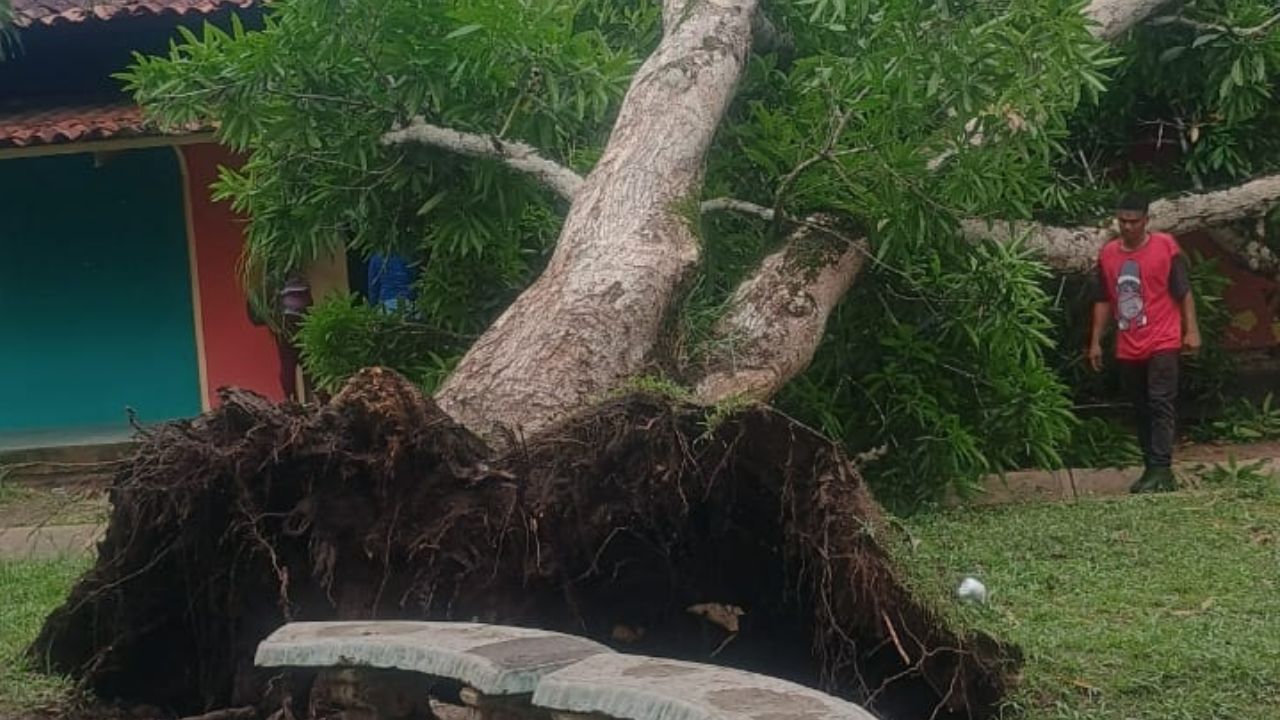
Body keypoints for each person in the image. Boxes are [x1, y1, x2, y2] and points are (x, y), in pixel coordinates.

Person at [1087, 192, 1202, 493]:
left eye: (1133, 221)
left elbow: (1183, 291)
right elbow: (1102, 300)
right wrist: (1096, 341)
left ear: (1146, 221)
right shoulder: (1109, 254)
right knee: (1140, 407)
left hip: (1163, 337)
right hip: (1128, 341)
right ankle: (1150, 466)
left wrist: (1192, 331)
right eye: (1122, 221)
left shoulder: (1165, 246)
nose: (1127, 227)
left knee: (1160, 401)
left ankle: (1162, 469)